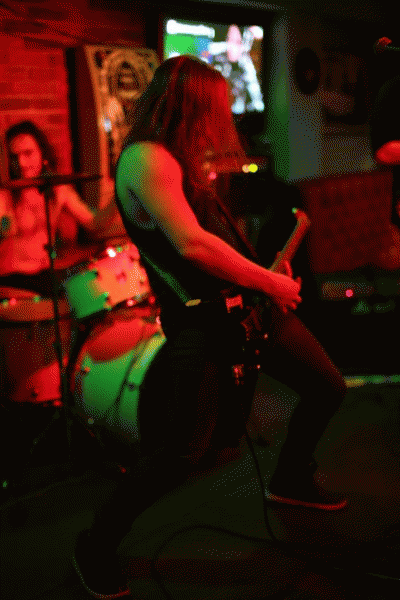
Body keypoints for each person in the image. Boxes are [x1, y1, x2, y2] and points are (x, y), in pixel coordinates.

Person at [73, 56, 348, 598]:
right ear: (192, 105)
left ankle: (290, 477)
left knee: (326, 387)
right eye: (214, 108)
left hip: (247, 310)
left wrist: (264, 277)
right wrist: (270, 283)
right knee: (179, 453)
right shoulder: (146, 159)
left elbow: (215, 239)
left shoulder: (177, 158)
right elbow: (191, 245)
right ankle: (95, 543)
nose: (220, 121)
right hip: (202, 323)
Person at [0, 120, 117, 297]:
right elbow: (3, 228)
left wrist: (120, 194)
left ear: (42, 153)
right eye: (14, 157)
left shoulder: (57, 188)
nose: (21, 163)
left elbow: (95, 223)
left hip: (45, 274)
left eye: (28, 153)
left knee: (95, 285)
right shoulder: (5, 194)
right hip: (12, 278)